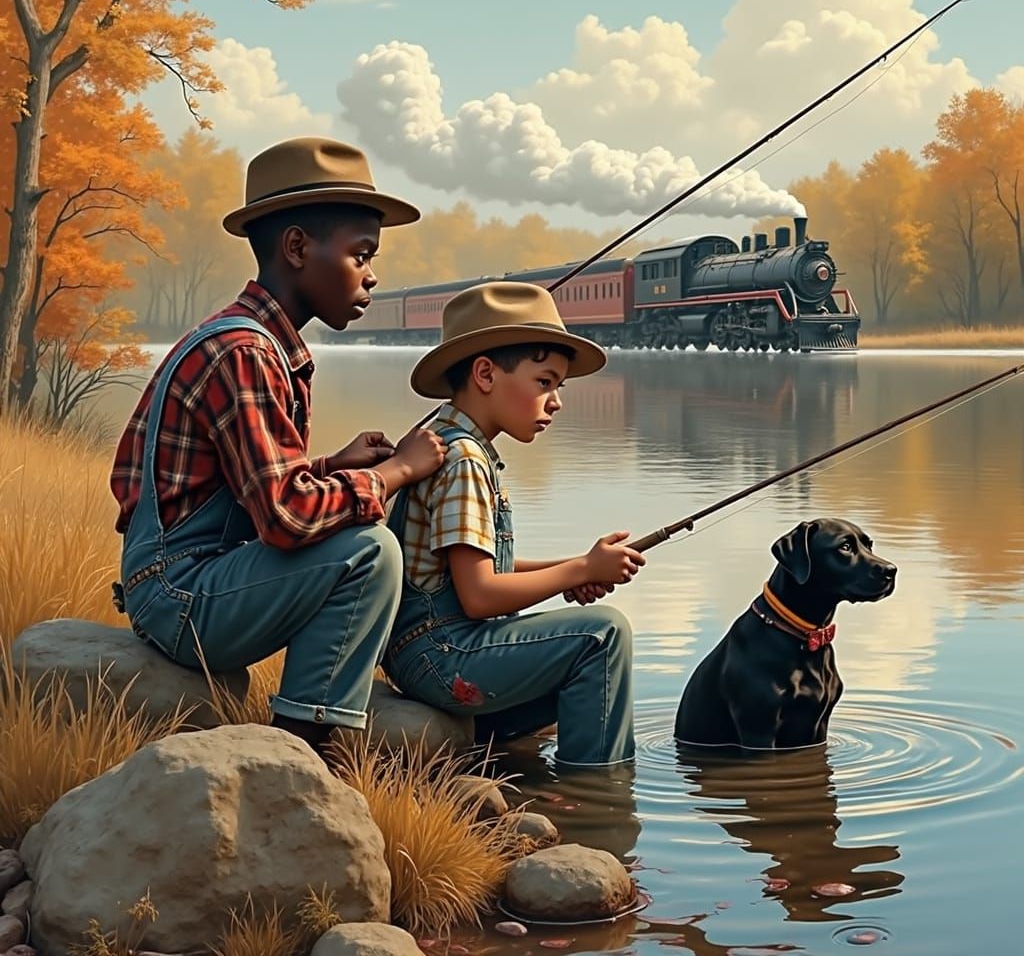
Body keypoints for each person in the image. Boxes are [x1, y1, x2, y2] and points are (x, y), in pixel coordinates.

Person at [109, 137, 446, 756]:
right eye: (360, 254)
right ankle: (307, 746)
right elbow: (287, 519)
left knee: (355, 526)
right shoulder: (245, 352)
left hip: (186, 579)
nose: (372, 275)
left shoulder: (258, 343)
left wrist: (330, 468)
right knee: (369, 550)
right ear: (296, 248)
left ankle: (312, 733)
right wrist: (396, 471)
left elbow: (243, 487)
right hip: (178, 596)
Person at [382, 280, 646, 768]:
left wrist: (580, 567)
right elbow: (479, 595)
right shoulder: (464, 460)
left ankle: (545, 777)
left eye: (558, 387)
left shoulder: (443, 438)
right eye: (544, 382)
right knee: (602, 636)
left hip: (425, 654)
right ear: (485, 373)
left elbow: (475, 564)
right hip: (441, 655)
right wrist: (580, 570)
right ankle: (596, 791)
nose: (557, 401)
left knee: (585, 657)